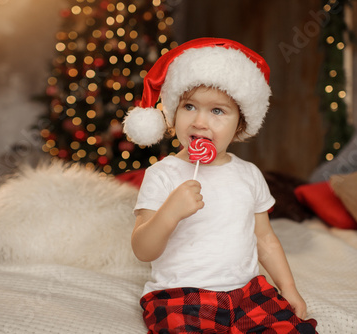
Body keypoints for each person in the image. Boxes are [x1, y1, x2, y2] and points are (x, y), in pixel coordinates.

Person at [123, 38, 317, 334]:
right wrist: (169, 213)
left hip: (247, 294)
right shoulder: (162, 174)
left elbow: (265, 239)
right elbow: (143, 250)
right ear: (172, 114)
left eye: (217, 111)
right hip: (179, 295)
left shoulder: (249, 175)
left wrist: (288, 288)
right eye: (189, 106)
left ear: (240, 124)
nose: (200, 121)